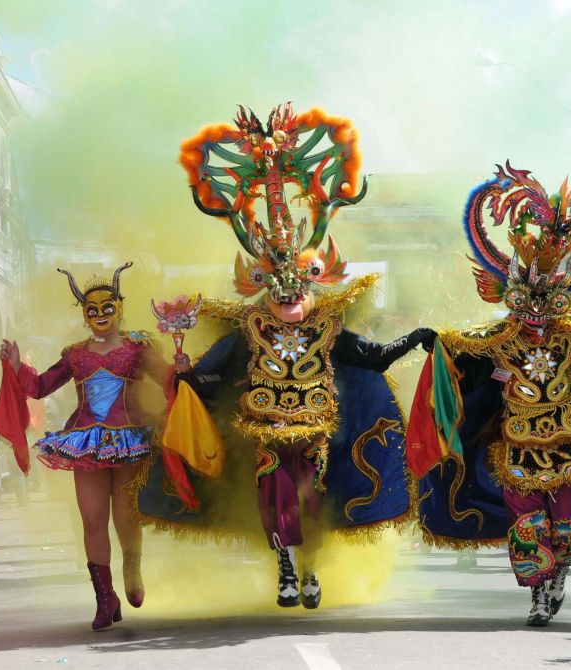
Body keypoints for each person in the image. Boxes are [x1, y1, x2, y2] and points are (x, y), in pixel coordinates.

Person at [135, 103, 433, 609]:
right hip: (265, 431)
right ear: (262, 284)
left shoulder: (327, 327)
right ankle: (287, 568)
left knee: (311, 496)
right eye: (279, 284)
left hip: (317, 429)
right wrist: (185, 378)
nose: (289, 293)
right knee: (275, 498)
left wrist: (417, 338)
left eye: (297, 283)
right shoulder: (250, 329)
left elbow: (374, 358)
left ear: (311, 283)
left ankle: (309, 568)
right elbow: (213, 377)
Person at [409, 164, 571, 627]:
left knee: (567, 526)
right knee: (527, 526)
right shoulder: (498, 340)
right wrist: (441, 345)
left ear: (563, 299)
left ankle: (558, 580)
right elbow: (467, 362)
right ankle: (537, 593)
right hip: (514, 447)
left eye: (546, 300)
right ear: (509, 296)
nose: (535, 311)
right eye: (525, 300)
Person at [0, 262, 172, 630]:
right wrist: (15, 366)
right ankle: (105, 598)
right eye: (92, 309)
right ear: (84, 315)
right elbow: (40, 387)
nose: (100, 315)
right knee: (92, 519)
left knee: (126, 516)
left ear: (119, 308)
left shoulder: (138, 347)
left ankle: (132, 568)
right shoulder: (75, 354)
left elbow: (168, 380)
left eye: (107, 307)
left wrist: (183, 366)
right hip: (86, 442)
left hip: (129, 439)